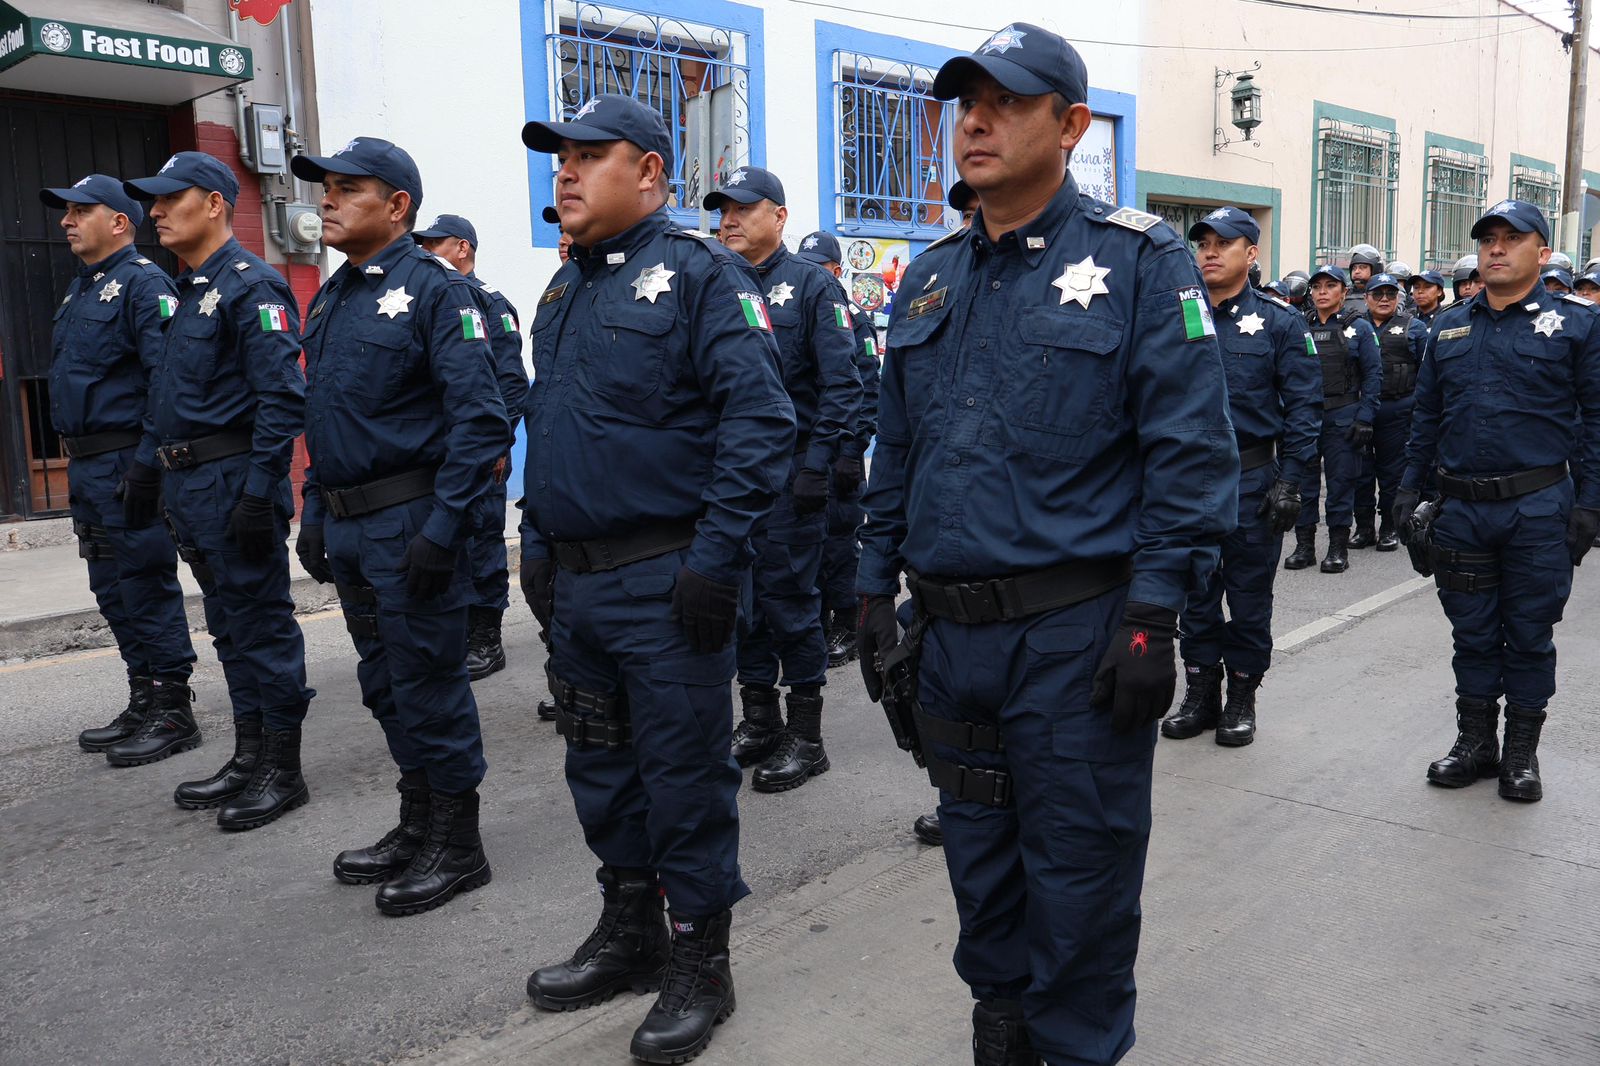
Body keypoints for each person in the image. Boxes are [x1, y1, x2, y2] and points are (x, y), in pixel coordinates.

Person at [855, 26, 1238, 1065]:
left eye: (1006, 102)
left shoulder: (1137, 261)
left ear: (1069, 126)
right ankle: (1001, 1035)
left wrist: (1155, 616)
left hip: (1075, 640)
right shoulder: (930, 276)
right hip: (950, 641)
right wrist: (865, 589)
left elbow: (1192, 459)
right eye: (962, 102)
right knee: (979, 865)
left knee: (1078, 882)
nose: (973, 122)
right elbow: (895, 445)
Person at [517, 94, 795, 1063]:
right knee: (599, 766)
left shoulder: (698, 276)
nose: (566, 172)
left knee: (681, 778)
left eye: (588, 156)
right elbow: (551, 429)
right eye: (559, 158)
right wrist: (536, 542)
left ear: (648, 174)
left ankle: (697, 959)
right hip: (582, 587)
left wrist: (715, 560)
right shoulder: (564, 291)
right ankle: (630, 928)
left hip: (665, 581)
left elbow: (760, 424)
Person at [288, 138, 510, 914]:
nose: (328, 201)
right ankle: (418, 821)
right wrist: (314, 508)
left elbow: (480, 421)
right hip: (352, 524)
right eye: (327, 189)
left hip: (411, 521)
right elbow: (327, 415)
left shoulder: (437, 292)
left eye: (347, 189)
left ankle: (459, 843)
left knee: (430, 684)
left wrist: (445, 528)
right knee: (385, 684)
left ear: (397, 206)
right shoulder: (336, 294)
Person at [118, 153, 315, 831]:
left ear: (214, 204)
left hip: (235, 485)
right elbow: (170, 397)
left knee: (261, 627)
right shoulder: (194, 289)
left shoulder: (250, 285)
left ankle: (281, 771)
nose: (156, 210)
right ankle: (249, 755)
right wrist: (149, 469)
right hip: (194, 489)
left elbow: (282, 397)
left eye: (170, 197)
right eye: (154, 199)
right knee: (230, 628)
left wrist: (262, 491)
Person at [1394, 199, 1600, 803]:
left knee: (1530, 634)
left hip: (1538, 508)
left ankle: (1520, 755)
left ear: (1542, 252)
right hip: (1461, 511)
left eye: (1513, 238)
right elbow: (1426, 418)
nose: (1497, 248)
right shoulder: (1448, 327)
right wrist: (1410, 488)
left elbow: (1596, 420)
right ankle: (1476, 744)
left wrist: (1590, 503)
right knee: (1473, 634)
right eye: (1488, 238)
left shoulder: (1578, 325)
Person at [709, 166, 860, 794]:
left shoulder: (812, 289)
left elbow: (843, 388)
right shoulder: (715, 282)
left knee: (791, 604)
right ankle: (761, 720)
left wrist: (820, 467)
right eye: (723, 209)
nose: (731, 220)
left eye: (745, 208)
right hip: (733, 480)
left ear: (780, 216)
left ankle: (806, 734)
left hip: (791, 478)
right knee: (741, 608)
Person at [41, 175, 200, 757]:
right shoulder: (83, 289)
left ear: (119, 222)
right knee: (109, 584)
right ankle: (143, 696)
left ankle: (173, 707)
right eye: (68, 210)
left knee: (144, 579)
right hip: (87, 468)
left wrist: (147, 468)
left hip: (124, 462)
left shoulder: (144, 284)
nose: (67, 220)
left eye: (82, 210)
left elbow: (166, 381)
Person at [1162, 206, 1320, 747]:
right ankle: (1201, 694)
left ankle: (1242, 698)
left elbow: (1304, 410)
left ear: (1250, 254)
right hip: (1185, 482)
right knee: (1195, 595)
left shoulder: (1280, 322)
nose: (1208, 250)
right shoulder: (1176, 312)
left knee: (1248, 598)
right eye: (1202, 241)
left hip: (1252, 479)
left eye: (1223, 243)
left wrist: (1292, 481)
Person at [413, 213, 529, 681]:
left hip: (480, 450)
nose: (425, 252)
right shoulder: (425, 300)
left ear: (462, 248)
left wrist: (497, 444)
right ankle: (456, 631)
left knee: (482, 542)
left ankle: (486, 638)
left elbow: (511, 386)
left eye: (435, 244)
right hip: (439, 451)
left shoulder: (488, 303)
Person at [794, 229, 880, 670]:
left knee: (840, 543)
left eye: (819, 268)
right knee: (806, 545)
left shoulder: (854, 321)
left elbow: (866, 392)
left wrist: (852, 450)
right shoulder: (797, 312)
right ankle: (819, 618)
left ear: (836, 271)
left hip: (841, 457)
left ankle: (848, 621)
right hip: (809, 454)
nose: (811, 276)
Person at [1284, 265, 1381, 574]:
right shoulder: (1301, 326)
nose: (1322, 291)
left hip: (1343, 416)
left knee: (1340, 484)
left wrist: (1365, 417)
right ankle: (1305, 546)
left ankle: (1338, 547)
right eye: (1317, 286)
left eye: (1330, 286)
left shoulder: (1360, 328)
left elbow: (1374, 375)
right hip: (1307, 417)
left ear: (1343, 291)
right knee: (1305, 484)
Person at [1349, 274, 1427, 551]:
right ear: (1366, 297)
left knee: (1392, 473)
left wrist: (1415, 405)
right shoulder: (1353, 327)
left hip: (1398, 410)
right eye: (1378, 294)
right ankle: (1364, 527)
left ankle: (1389, 527)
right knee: (1360, 472)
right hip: (1360, 411)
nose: (1384, 300)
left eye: (1390, 295)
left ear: (1398, 298)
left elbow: (1426, 373)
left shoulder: (1414, 328)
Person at [1344, 243, 1383, 315]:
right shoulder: (1343, 294)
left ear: (1375, 270)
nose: (1357, 272)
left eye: (1362, 267)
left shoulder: (1386, 295)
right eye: (1354, 268)